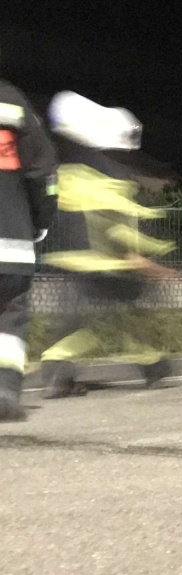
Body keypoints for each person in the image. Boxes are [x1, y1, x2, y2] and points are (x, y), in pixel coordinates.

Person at [39, 91, 177, 398]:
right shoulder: (112, 178)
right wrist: (152, 261)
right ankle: (155, 366)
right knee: (130, 321)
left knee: (77, 324)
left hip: (75, 264)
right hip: (108, 268)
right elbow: (119, 232)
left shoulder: (71, 172)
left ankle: (57, 370)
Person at [0, 79, 58, 421]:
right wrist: (39, 222)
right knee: (9, 316)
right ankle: (4, 391)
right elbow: (43, 175)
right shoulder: (12, 100)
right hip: (11, 240)